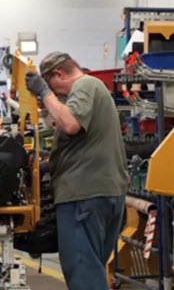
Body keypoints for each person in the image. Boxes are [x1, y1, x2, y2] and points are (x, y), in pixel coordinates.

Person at [25, 52, 127, 290]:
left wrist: (44, 92)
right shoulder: (93, 91)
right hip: (99, 194)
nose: (56, 94)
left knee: (82, 273)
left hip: (84, 196)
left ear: (58, 74)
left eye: (52, 85)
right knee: (91, 270)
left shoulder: (86, 85)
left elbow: (70, 124)